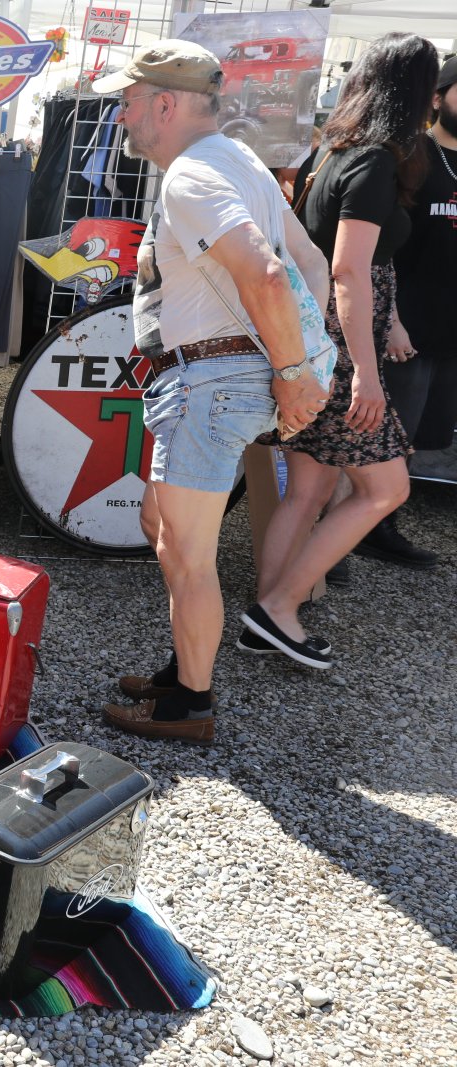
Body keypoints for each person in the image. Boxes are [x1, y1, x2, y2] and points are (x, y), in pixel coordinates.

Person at [95, 40, 329, 744]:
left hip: (210, 382)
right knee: (161, 528)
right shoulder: (239, 161)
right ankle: (184, 666)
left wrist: (294, 372)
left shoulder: (192, 176)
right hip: (216, 379)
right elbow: (309, 262)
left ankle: (190, 704)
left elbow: (267, 273)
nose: (122, 116)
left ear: (165, 104)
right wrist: (298, 363)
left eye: (129, 102)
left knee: (188, 555)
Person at [246, 34, 440, 657]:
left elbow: (357, 265)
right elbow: (349, 271)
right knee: (386, 489)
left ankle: (266, 616)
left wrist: (390, 324)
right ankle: (278, 609)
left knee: (307, 491)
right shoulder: (375, 161)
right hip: (339, 346)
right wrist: (365, 372)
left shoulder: (334, 151)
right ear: (415, 93)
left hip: (320, 339)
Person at [388, 55, 457, 484]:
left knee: (418, 444)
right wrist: (391, 321)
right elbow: (379, 249)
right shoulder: (409, 155)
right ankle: (369, 517)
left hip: (450, 337)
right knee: (385, 443)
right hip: (405, 334)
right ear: (436, 98)